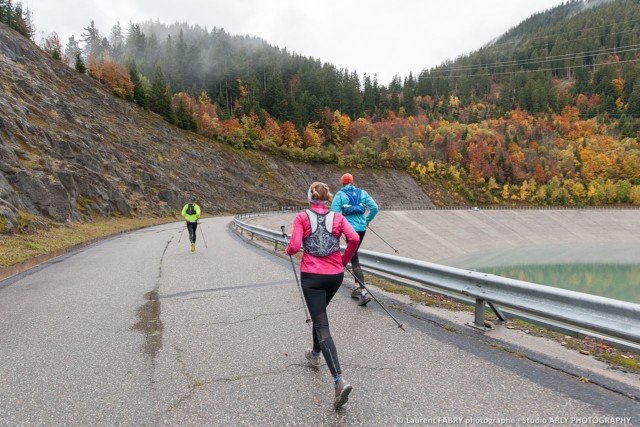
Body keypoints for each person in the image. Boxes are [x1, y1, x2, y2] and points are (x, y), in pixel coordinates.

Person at [285, 181, 360, 410]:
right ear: (327, 198)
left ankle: (339, 380)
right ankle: (315, 353)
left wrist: (288, 249)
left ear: (309, 198)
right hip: (335, 276)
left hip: (312, 277)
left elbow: (295, 246)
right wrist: (343, 260)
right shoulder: (337, 217)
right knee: (320, 317)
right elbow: (354, 239)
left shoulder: (301, 217)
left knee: (322, 324)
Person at [330, 173, 379, 306]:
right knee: (353, 255)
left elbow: (334, 213)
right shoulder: (363, 193)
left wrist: (337, 229)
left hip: (349, 229)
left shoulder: (340, 195)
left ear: (342, 183)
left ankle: (363, 292)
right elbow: (375, 208)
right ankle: (358, 287)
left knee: (354, 257)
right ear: (352, 182)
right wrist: (367, 220)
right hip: (362, 229)